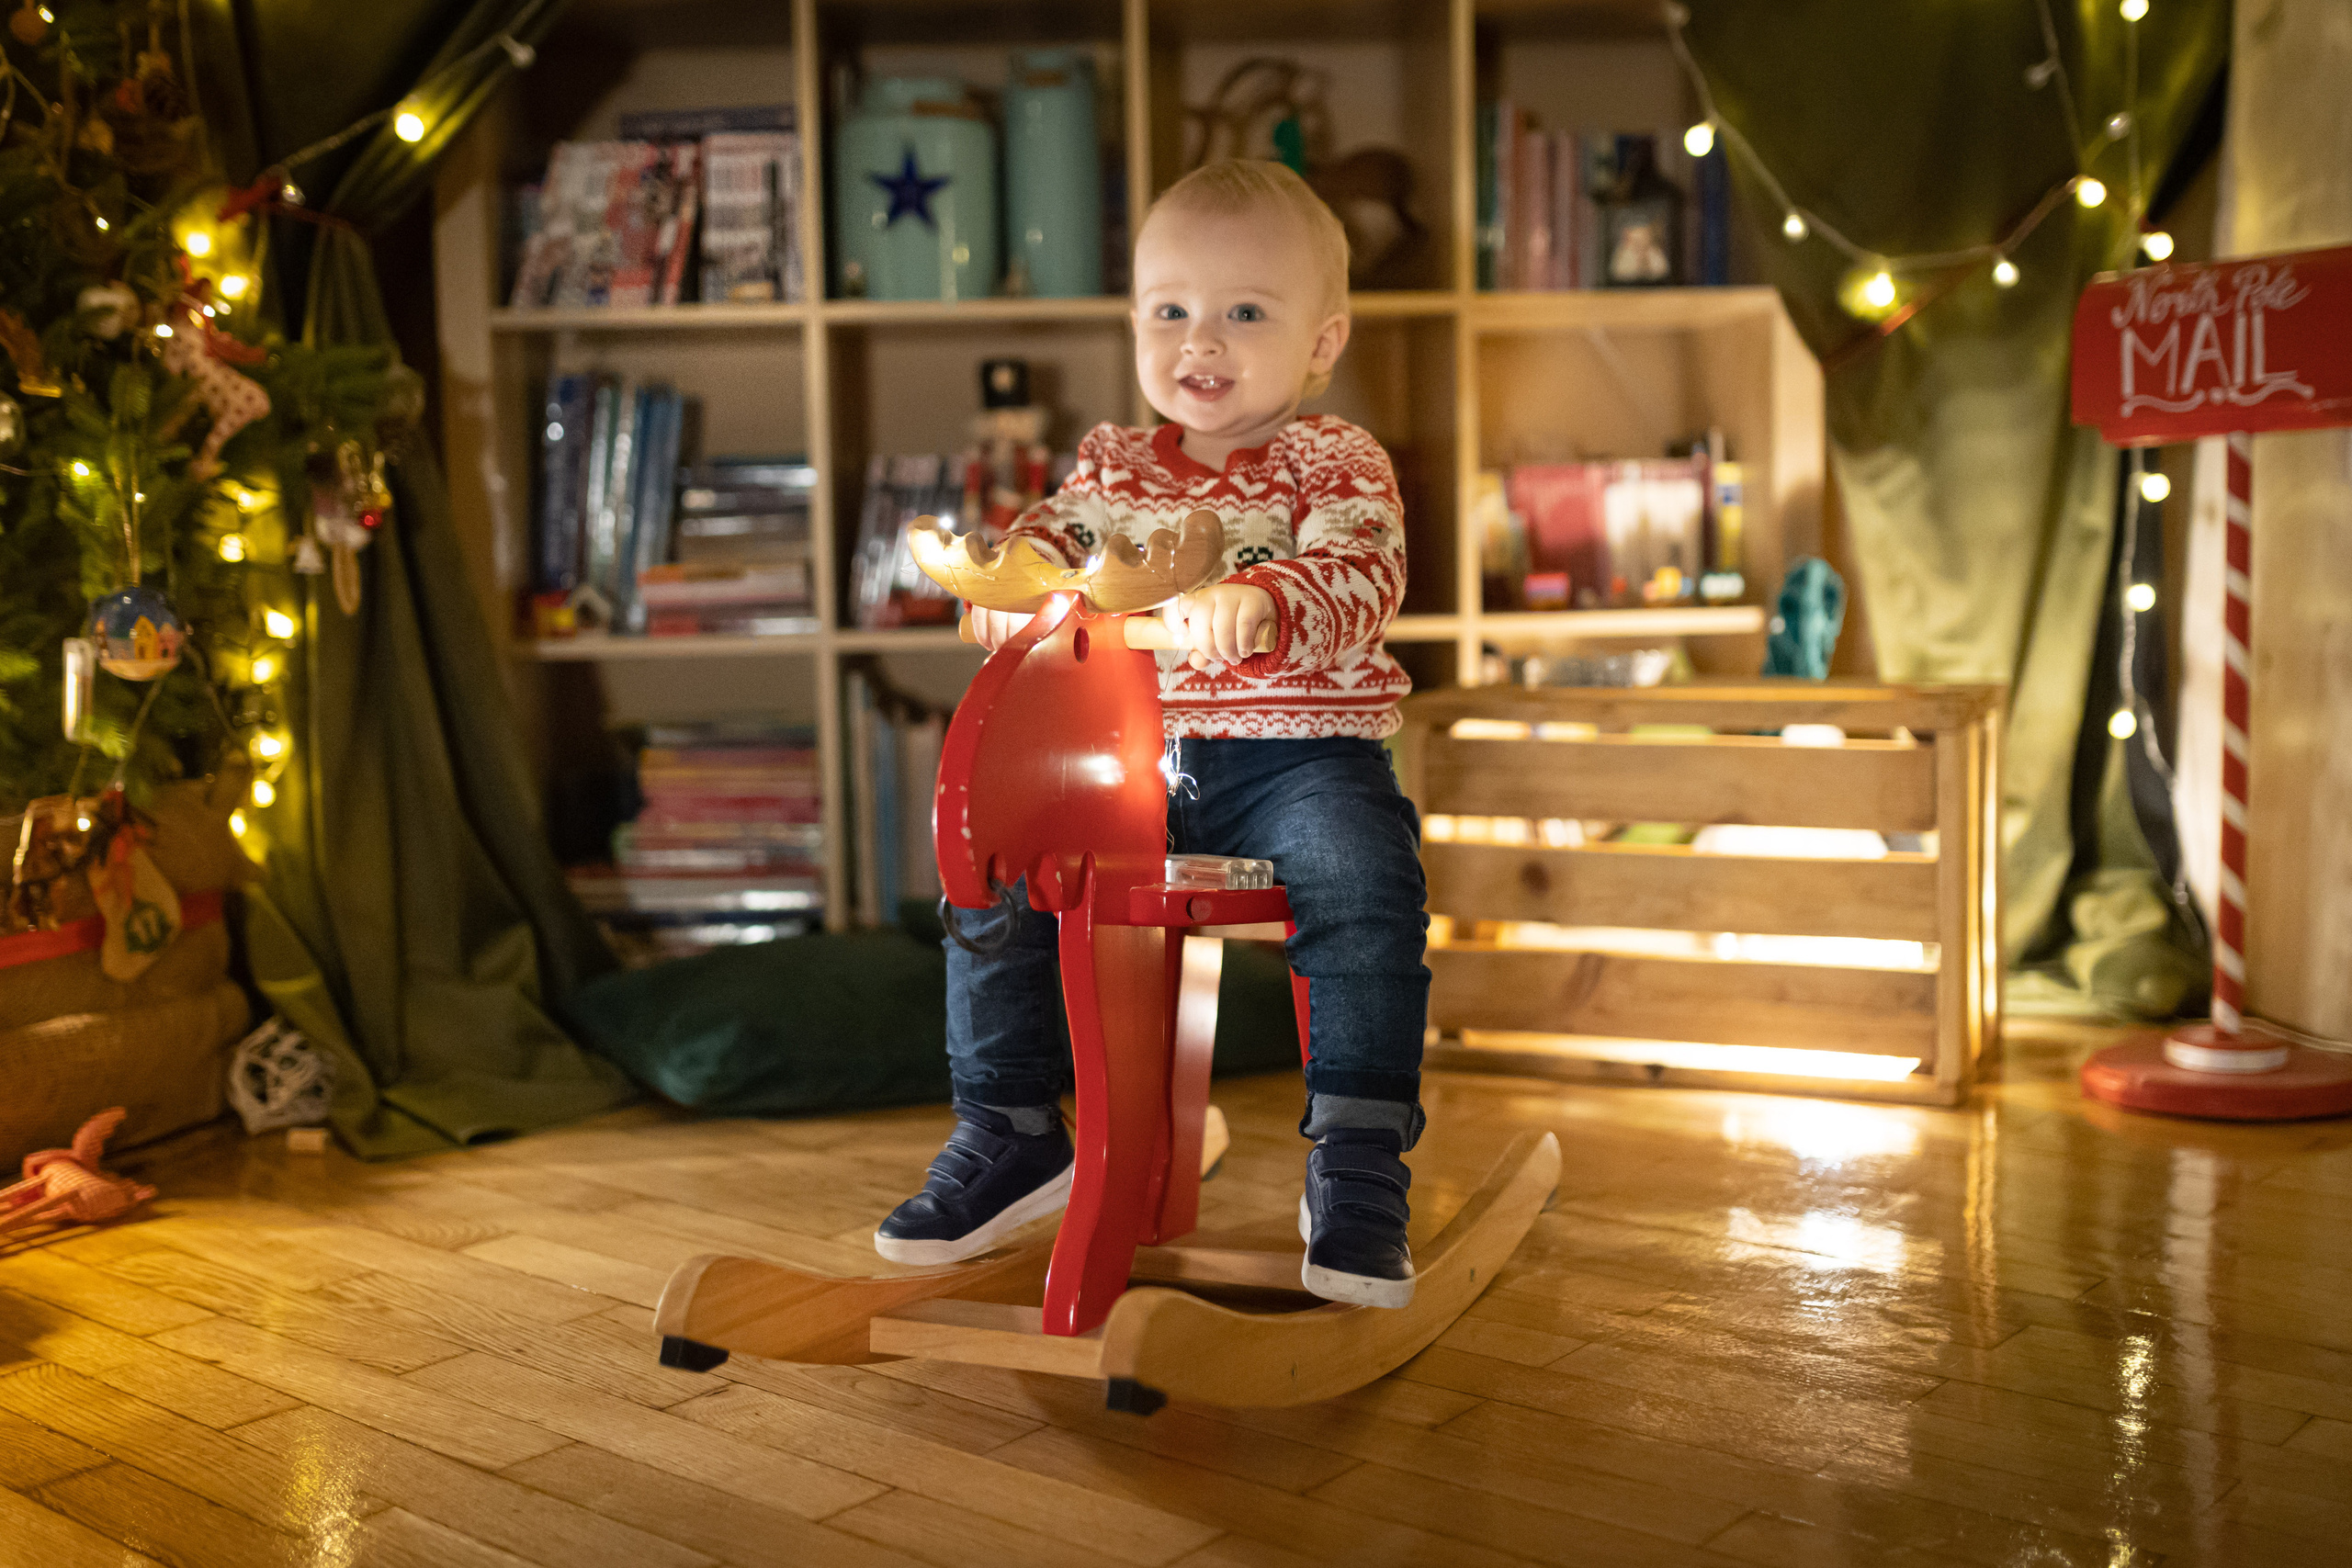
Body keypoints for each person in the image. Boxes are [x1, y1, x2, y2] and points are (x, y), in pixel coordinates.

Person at [874, 160, 1428, 1308]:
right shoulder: (1112, 470)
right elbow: (1041, 548)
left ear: (1322, 341)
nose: (1200, 341)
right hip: (1123, 768)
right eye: (1170, 310)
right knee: (992, 857)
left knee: (1365, 879)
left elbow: (1364, 572)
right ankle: (1011, 1124)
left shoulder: (1331, 461)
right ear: (1134, 321)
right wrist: (1009, 586)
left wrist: (1268, 600)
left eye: (1243, 312)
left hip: (1294, 760)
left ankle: (1359, 1158)